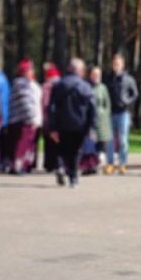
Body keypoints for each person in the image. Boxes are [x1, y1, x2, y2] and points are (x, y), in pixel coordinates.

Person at [46, 56, 95, 187]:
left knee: (62, 148)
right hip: (80, 124)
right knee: (76, 150)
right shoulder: (85, 86)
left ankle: (61, 168)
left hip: (62, 123)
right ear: (79, 70)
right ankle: (73, 178)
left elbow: (51, 107)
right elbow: (92, 107)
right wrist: (91, 127)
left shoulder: (58, 85)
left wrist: (52, 127)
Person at [101, 53, 136, 175]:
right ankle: (110, 163)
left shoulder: (128, 79)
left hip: (123, 113)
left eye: (118, 64)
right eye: (114, 64)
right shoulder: (107, 79)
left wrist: (126, 101)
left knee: (123, 140)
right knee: (109, 140)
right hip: (110, 113)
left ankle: (122, 163)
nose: (116, 66)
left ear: (122, 65)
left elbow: (134, 94)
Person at [5, 59, 41, 174]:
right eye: (30, 70)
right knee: (22, 144)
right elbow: (26, 103)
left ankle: (19, 165)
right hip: (23, 120)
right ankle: (18, 167)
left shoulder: (17, 83)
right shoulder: (23, 84)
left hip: (16, 119)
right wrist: (32, 118)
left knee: (18, 144)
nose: (32, 72)